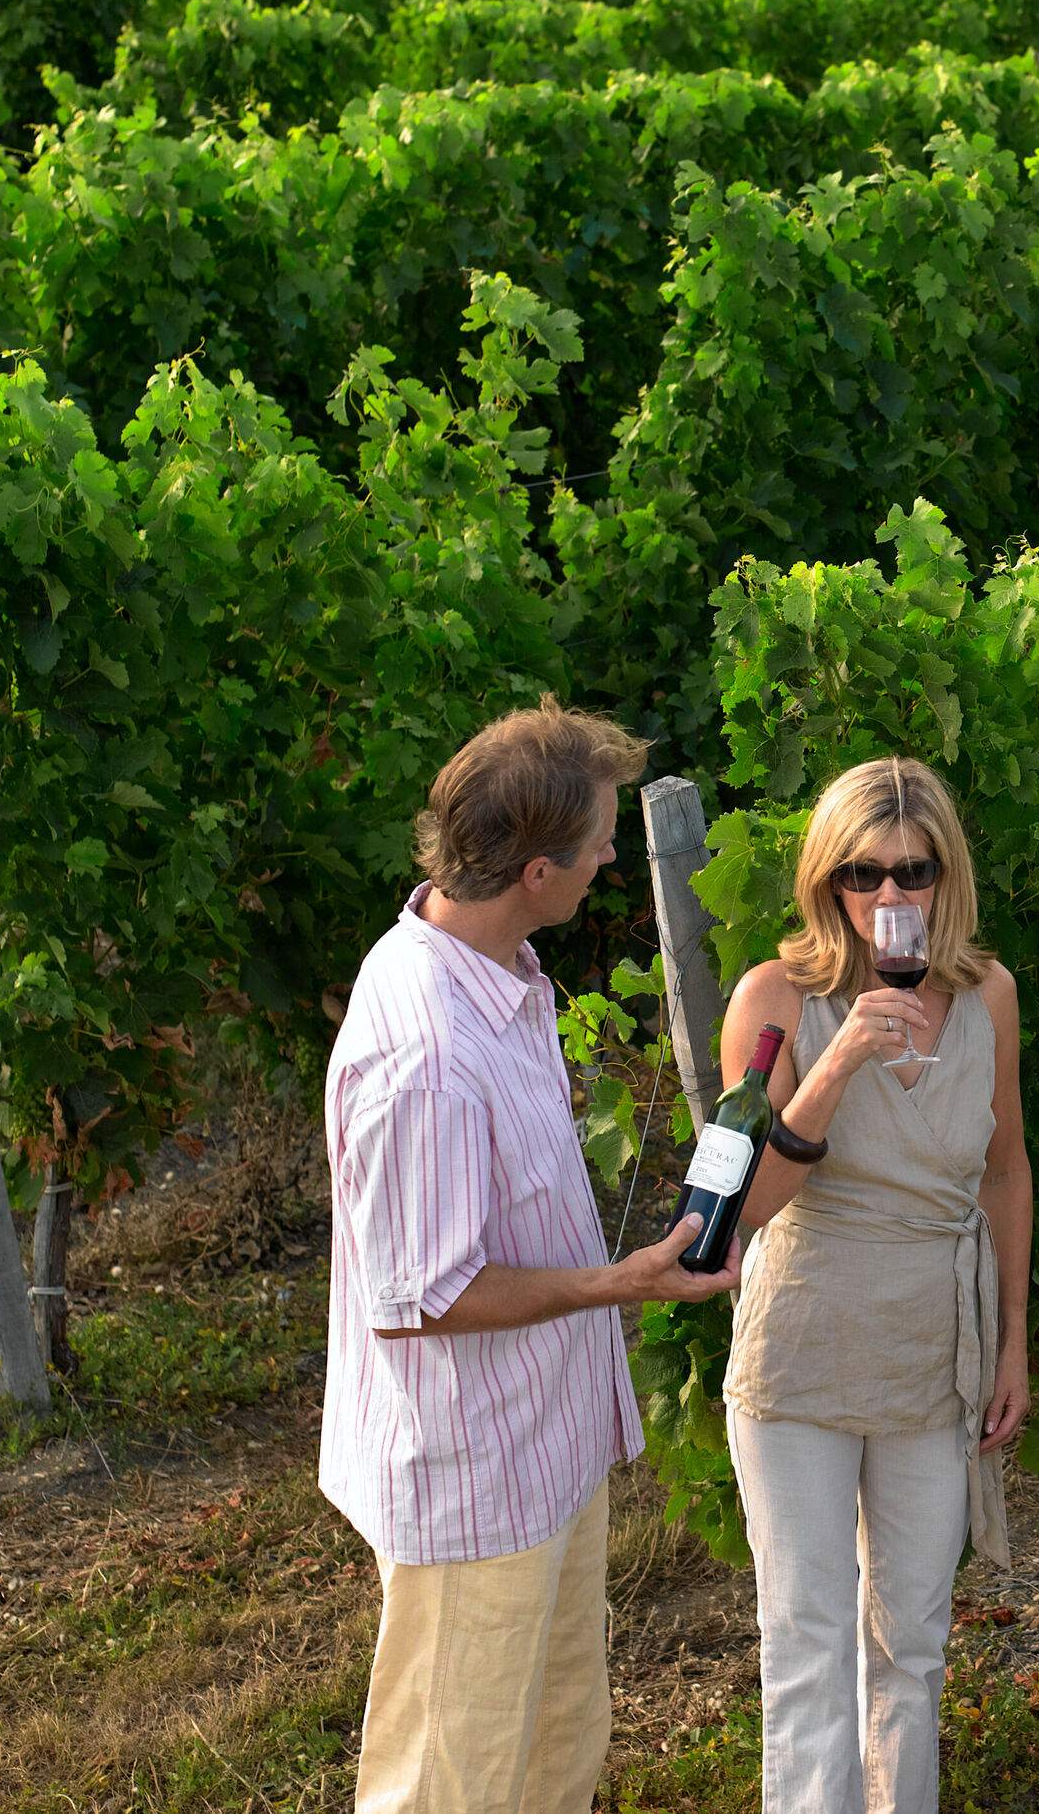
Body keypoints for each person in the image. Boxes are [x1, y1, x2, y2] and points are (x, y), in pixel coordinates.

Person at [320, 699, 745, 1814]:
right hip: (474, 1483)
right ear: (539, 871)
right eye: (601, 840)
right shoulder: (428, 1052)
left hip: (537, 1452)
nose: (615, 854)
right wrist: (625, 1281)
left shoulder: (495, 972)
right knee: (450, 1783)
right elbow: (422, 1299)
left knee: (554, 1749)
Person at [714, 755, 1033, 1814]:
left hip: (932, 1349)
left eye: (913, 872)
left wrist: (1013, 1342)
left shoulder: (990, 997)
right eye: (862, 874)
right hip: (803, 1348)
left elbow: (1003, 1171)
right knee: (809, 1642)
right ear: (825, 881)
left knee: (915, 1641)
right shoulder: (774, 998)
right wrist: (837, 1060)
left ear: (948, 876)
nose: (888, 898)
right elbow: (741, 1209)